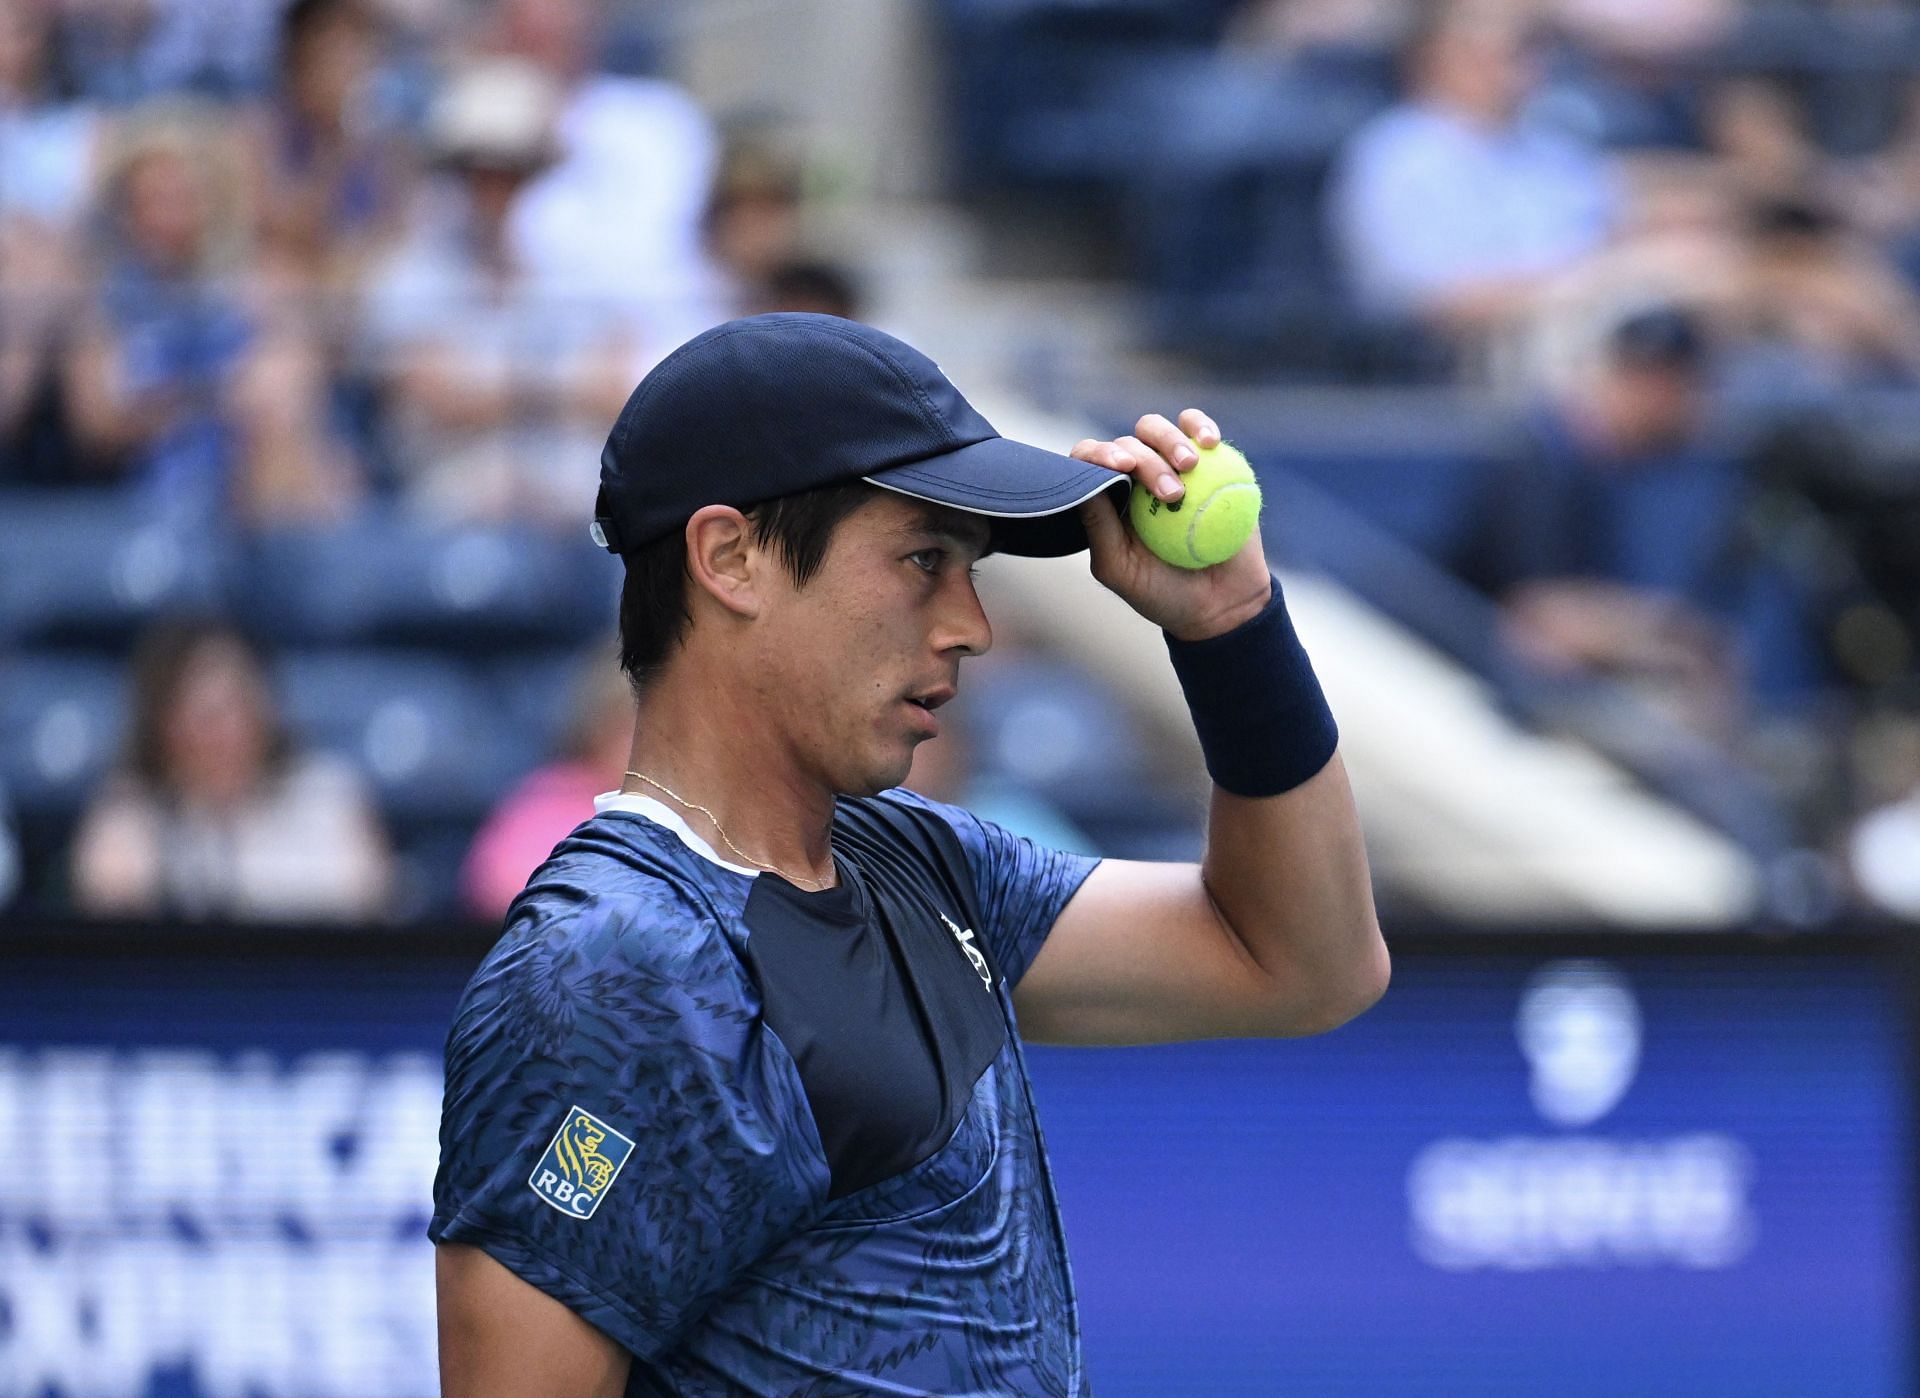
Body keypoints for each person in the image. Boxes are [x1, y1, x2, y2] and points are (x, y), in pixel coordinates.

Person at [431, 313, 1388, 1393]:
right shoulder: (610, 966)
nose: (971, 626)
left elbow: (1304, 962)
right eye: (923, 560)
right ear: (730, 558)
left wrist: (1232, 628)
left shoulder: (922, 862)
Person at [1327, 0, 1619, 345]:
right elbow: (1438, 301)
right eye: (1491, 52)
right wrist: (1597, 283)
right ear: (1433, 58)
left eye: (1527, 49)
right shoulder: (1397, 154)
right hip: (1452, 364)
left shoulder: (1551, 146)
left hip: (1583, 332)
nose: (1517, 69)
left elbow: (1605, 229)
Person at [70, 619, 392, 921]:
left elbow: (372, 909)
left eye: (235, 704)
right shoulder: (131, 810)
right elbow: (109, 914)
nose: (224, 730)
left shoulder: (327, 795)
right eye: (204, 715)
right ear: (163, 722)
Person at [459, 654, 634, 921]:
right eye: (629, 729)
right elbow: (498, 887)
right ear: (597, 729)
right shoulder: (550, 797)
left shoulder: (690, 811)